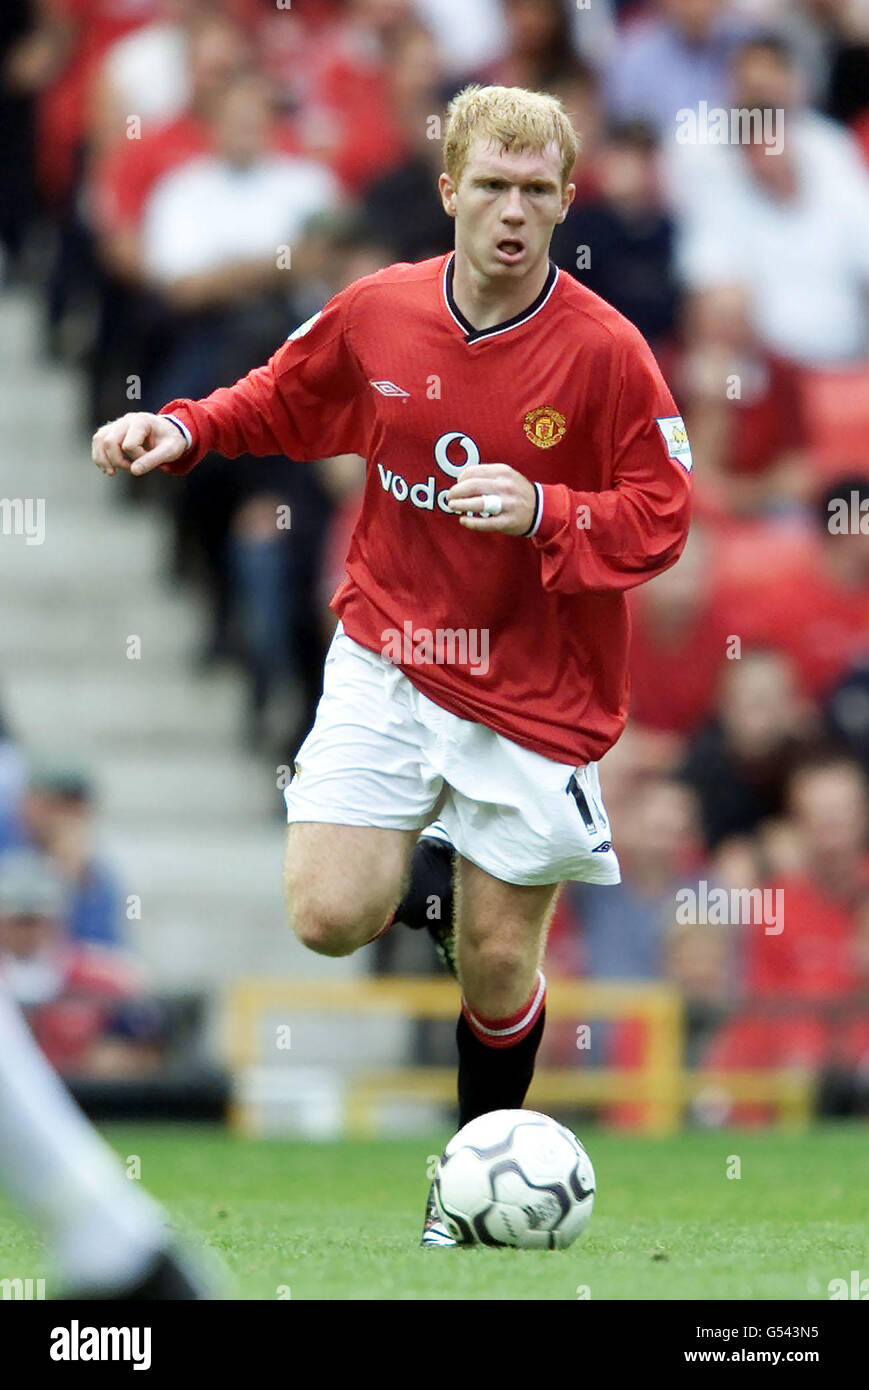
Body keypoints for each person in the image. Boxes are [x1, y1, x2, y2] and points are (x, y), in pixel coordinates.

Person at [91, 83, 693, 1247]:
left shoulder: (608, 354)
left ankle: (465, 1199)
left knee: (496, 970)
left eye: (535, 192)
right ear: (447, 192)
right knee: (325, 915)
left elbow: (661, 517)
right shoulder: (377, 312)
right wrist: (184, 428)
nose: (512, 213)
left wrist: (544, 509)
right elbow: (283, 397)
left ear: (567, 200)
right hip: (391, 651)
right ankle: (445, 890)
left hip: (536, 692)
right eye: (491, 188)